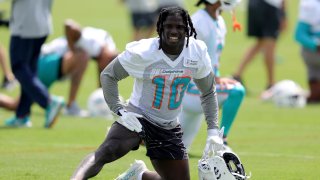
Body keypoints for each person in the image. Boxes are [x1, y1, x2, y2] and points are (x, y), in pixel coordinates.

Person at [71, 6, 223, 180]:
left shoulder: (196, 52)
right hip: (139, 118)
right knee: (107, 151)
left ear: (187, 29)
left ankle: (139, 176)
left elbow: (208, 92)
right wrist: (119, 110)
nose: (174, 31)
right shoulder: (145, 51)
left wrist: (212, 131)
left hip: (168, 126)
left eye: (179, 27)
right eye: (169, 26)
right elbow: (108, 75)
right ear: (160, 27)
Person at [179, 0, 245, 150]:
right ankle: (220, 141)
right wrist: (212, 78)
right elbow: (185, 58)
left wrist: (216, 78)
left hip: (201, 88)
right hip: (188, 89)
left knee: (175, 148)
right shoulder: (198, 22)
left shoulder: (219, 21)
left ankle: (144, 135)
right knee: (236, 91)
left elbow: (214, 60)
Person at [38, 19, 118, 116]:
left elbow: (102, 73)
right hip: (46, 61)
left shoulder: (107, 47)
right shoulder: (92, 44)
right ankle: (71, 105)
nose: (106, 68)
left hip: (42, 63)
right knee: (82, 56)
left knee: (20, 106)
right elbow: (68, 25)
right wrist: (72, 50)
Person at [4, 0, 65, 128]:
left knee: (19, 67)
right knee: (29, 70)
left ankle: (48, 101)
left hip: (25, 24)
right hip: (43, 24)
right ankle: (22, 115)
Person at [232, 0, 287, 94]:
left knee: (260, 42)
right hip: (270, 5)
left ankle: (237, 75)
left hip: (255, 3)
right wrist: (284, 15)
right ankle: (271, 84)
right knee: (270, 43)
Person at [295, 0, 320, 103]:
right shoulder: (310, 4)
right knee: (315, 96)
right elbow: (299, 34)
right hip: (313, 52)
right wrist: (316, 45)